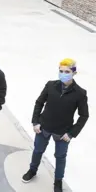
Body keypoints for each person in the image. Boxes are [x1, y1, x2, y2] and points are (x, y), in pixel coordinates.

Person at [22, 58, 89, 192]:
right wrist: (36, 121)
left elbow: (84, 115)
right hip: (44, 127)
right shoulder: (50, 85)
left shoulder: (80, 93)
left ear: (74, 73)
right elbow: (39, 103)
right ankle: (32, 170)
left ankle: (58, 181)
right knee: (38, 150)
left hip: (62, 132)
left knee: (60, 157)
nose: (63, 74)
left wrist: (71, 133)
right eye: (61, 71)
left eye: (67, 71)